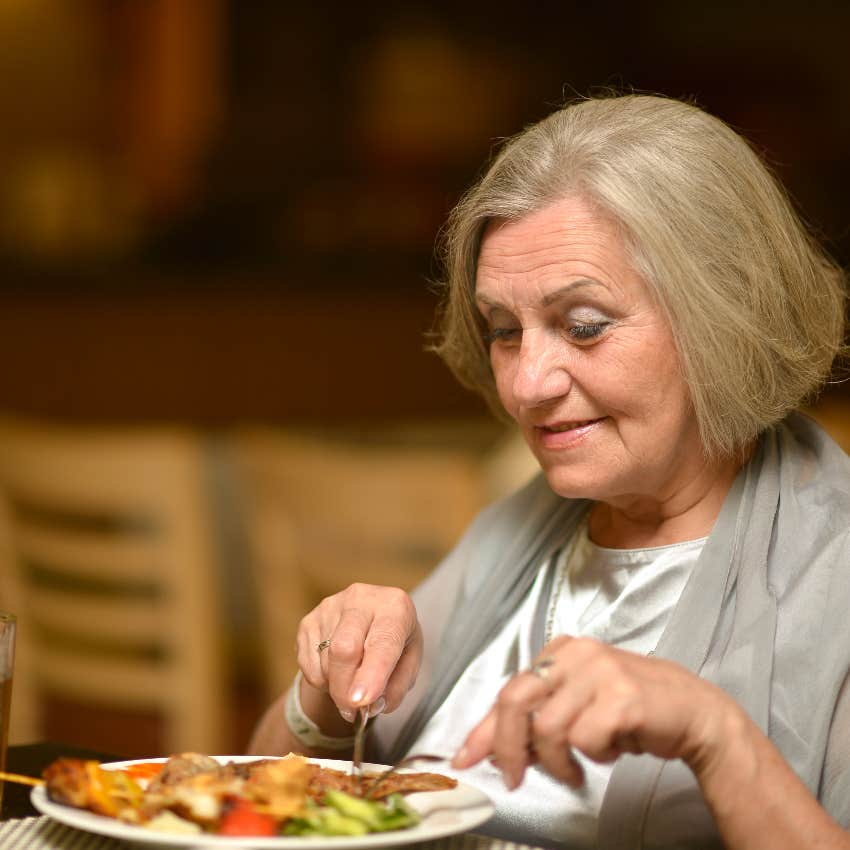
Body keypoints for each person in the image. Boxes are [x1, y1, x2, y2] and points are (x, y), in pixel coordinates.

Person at [249, 94, 850, 849]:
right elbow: (254, 790)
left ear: (723, 313)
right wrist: (325, 694)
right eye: (504, 331)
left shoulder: (835, 569)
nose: (527, 384)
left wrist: (714, 736)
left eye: (583, 326)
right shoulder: (525, 524)